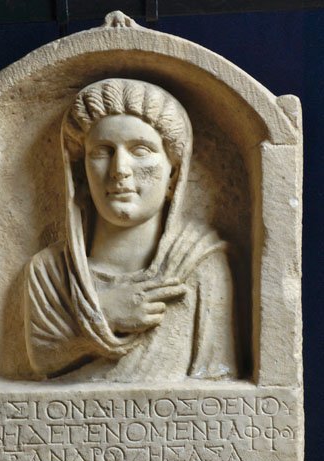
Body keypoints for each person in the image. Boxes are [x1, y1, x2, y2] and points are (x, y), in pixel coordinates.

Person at [24, 78, 237, 381]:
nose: (120, 169)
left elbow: (218, 382)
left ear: (173, 174)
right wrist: (104, 314)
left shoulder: (201, 264)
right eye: (102, 152)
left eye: (140, 150)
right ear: (81, 174)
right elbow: (44, 360)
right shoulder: (51, 271)